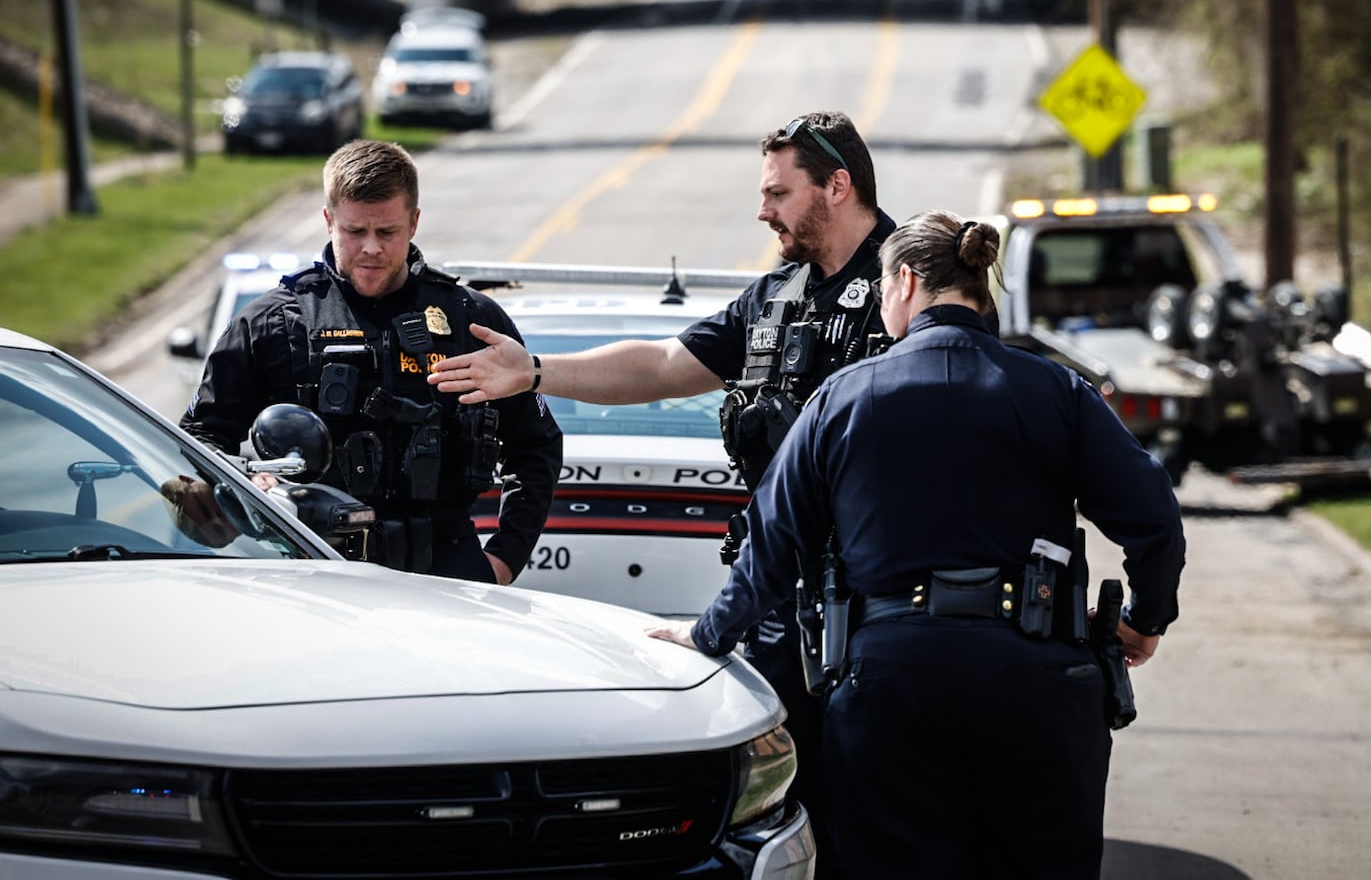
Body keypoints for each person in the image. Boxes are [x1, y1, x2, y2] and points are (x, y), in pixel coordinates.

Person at [647, 210, 1187, 880]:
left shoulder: (843, 397)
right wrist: (1145, 618)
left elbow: (773, 543)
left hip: (891, 690)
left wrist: (708, 635)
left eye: (880, 286)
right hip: (1040, 683)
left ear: (905, 281)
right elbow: (1155, 518)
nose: (879, 301)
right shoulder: (1056, 391)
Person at [428, 111, 892, 875]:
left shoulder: (911, 285)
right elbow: (664, 366)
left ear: (837, 186)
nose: (762, 210)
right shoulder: (776, 295)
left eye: (778, 192)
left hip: (880, 607)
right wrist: (535, 371)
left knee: (877, 823)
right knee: (777, 813)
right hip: (780, 603)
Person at [181, 139, 563, 585]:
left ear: (414, 222)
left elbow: (536, 445)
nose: (371, 249)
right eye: (354, 232)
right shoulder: (270, 323)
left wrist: (504, 557)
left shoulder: (471, 320)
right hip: (313, 566)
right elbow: (198, 439)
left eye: (387, 232)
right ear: (328, 221)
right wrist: (252, 485)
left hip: (447, 567)